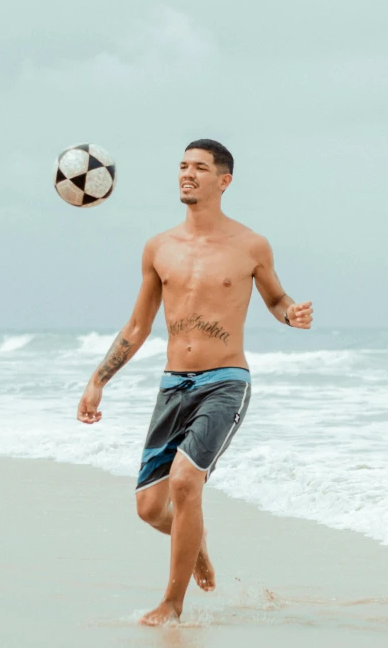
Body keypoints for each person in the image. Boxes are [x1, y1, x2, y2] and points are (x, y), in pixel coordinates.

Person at [76, 139, 313, 626]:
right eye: (183, 166)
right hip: (173, 385)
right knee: (148, 508)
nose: (187, 174)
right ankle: (196, 542)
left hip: (226, 380)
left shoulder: (251, 245)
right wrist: (98, 379)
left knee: (186, 483)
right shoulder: (159, 248)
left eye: (200, 168)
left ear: (223, 181)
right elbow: (138, 326)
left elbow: (276, 298)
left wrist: (292, 314)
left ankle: (172, 604)